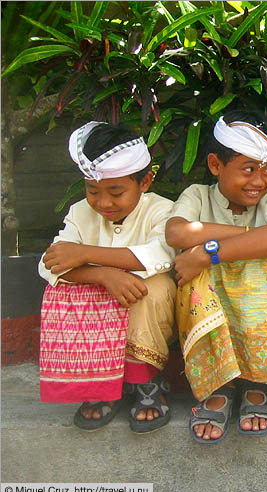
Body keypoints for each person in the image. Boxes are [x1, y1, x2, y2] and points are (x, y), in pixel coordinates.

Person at [166, 112, 267, 444]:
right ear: (215, 165)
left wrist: (206, 253)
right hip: (210, 290)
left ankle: (258, 382)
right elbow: (178, 232)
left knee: (265, 269)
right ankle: (219, 385)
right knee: (199, 282)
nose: (260, 180)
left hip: (255, 291)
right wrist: (253, 237)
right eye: (248, 169)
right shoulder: (197, 195)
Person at [38, 121, 176, 433]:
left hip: (148, 308)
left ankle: (146, 382)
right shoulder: (79, 213)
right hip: (98, 306)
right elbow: (49, 266)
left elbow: (160, 256)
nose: (103, 203)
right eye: (93, 191)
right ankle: (98, 385)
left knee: (148, 290)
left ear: (145, 182)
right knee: (62, 292)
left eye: (116, 192)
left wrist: (86, 254)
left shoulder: (163, 210)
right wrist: (102, 275)